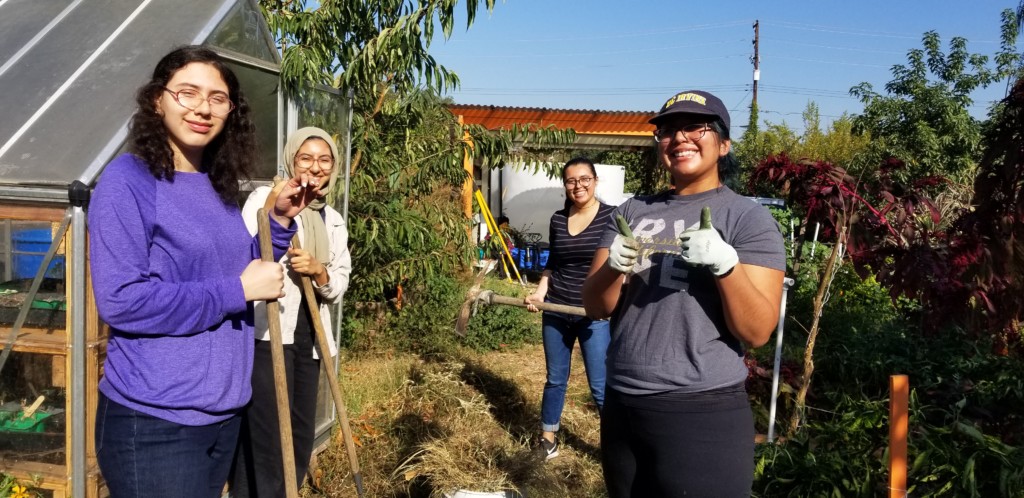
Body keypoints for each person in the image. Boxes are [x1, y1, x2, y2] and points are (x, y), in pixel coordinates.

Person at [88, 46, 319, 498]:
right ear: (158, 99)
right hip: (157, 419)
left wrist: (277, 221)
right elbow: (123, 300)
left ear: (231, 111)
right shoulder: (128, 180)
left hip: (221, 416)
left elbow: (228, 269)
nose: (202, 108)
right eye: (187, 92)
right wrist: (238, 291)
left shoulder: (213, 182)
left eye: (218, 98)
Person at [582, 90, 786, 496]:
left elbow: (758, 331)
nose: (679, 138)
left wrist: (726, 266)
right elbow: (594, 306)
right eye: (668, 130)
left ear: (724, 143)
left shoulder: (747, 219)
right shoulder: (631, 211)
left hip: (701, 410)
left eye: (696, 127)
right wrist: (611, 268)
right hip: (623, 403)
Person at [232, 127, 352, 497]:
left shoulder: (332, 218)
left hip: (310, 338)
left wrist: (318, 271)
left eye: (324, 160)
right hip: (269, 337)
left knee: (300, 434)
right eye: (306, 158)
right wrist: (281, 240)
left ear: (334, 168)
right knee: (266, 433)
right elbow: (246, 257)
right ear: (291, 161)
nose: (315, 167)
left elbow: (340, 280)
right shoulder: (264, 200)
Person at [524, 157, 615, 460]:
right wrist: (539, 292)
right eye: (571, 180)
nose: (578, 186)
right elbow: (553, 263)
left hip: (594, 315)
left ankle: (617, 446)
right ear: (565, 185)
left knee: (600, 385)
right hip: (557, 308)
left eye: (584, 179)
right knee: (555, 378)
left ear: (595, 180)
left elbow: (620, 266)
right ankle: (548, 439)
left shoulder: (611, 217)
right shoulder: (558, 219)